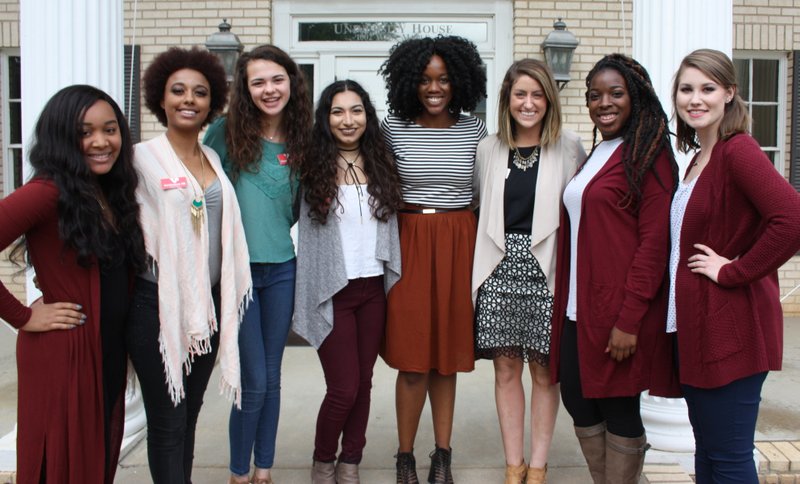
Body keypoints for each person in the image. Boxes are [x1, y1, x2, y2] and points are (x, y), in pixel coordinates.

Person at [658, 48, 800, 483]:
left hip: (730, 330)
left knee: (730, 459)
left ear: (729, 94)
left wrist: (733, 270)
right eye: (686, 89)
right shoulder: (698, 159)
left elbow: (791, 219)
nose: (694, 99)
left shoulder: (738, 151)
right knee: (711, 456)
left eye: (707, 88)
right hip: (696, 328)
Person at [0, 85, 146, 483]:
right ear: (63, 137)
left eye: (110, 129)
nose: (101, 142)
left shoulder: (106, 192)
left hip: (105, 349)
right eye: (85, 132)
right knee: (63, 465)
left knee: (95, 459)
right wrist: (21, 315)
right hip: (66, 351)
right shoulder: (47, 192)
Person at [548, 53, 677, 484]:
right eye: (594, 95)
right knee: (578, 401)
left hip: (618, 311)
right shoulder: (600, 152)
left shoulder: (650, 155)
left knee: (619, 407)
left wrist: (630, 319)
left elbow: (654, 244)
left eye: (615, 93)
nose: (603, 103)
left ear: (635, 96)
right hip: (575, 307)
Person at [127, 47, 252, 484]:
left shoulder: (212, 160)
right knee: (166, 419)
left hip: (207, 309)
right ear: (159, 99)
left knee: (189, 414)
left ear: (211, 102)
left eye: (200, 93)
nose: (188, 100)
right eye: (177, 91)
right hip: (156, 307)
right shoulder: (139, 159)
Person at [379, 35, 487, 484]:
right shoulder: (391, 127)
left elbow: (485, 191)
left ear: (459, 80)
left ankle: (442, 456)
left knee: (447, 358)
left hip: (459, 240)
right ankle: (404, 457)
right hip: (408, 241)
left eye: (443, 79)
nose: (434, 88)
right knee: (412, 359)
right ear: (410, 82)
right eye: (424, 80)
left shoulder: (474, 129)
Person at [472, 59, 585, 484]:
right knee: (505, 371)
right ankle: (513, 465)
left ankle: (537, 466)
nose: (529, 102)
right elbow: (478, 206)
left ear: (549, 101)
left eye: (537, 94)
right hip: (499, 270)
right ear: (507, 99)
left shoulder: (569, 146)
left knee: (543, 372)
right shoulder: (488, 147)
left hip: (548, 269)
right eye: (520, 94)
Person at [203, 43, 312, 484]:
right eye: (258, 82)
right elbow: (204, 199)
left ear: (291, 82)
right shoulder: (226, 134)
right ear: (246, 89)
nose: (270, 89)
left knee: (273, 377)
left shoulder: (304, 137)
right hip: (239, 274)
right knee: (253, 380)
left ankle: (263, 470)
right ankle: (237, 472)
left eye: (277, 79)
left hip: (283, 268)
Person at [293, 79, 403, 484]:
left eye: (356, 110)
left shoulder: (382, 161)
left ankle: (350, 460)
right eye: (337, 111)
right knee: (343, 388)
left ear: (367, 116)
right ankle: (323, 460)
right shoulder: (310, 166)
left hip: (373, 289)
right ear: (326, 118)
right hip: (333, 291)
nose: (348, 119)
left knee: (365, 382)